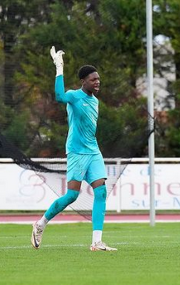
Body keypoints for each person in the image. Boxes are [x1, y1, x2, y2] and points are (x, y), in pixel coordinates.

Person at [31, 46, 117, 251]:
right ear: (83, 81)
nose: (97, 82)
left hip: (93, 151)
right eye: (93, 79)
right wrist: (59, 68)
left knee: (101, 191)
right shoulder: (74, 96)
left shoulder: (95, 101)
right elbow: (59, 96)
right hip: (77, 152)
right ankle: (40, 224)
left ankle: (96, 242)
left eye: (98, 79)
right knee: (72, 196)